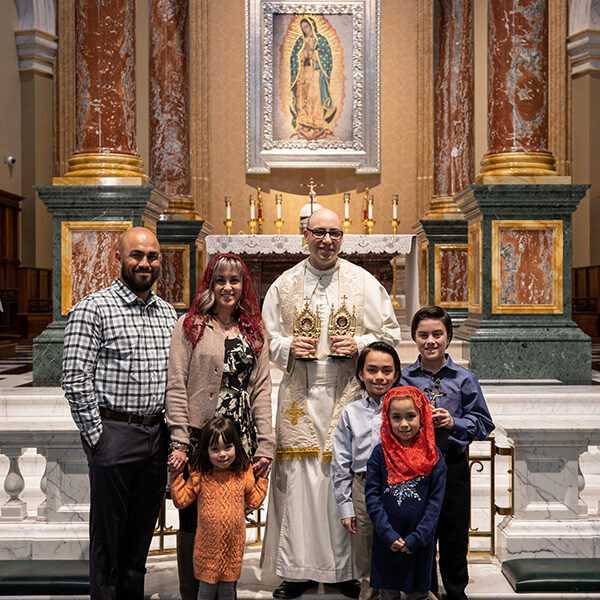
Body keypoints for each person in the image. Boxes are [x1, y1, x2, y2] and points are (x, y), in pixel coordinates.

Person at [261, 208, 401, 599]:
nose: (326, 240)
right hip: (298, 397)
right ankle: (297, 570)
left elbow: (389, 333)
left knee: (344, 479)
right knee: (301, 482)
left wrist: (358, 344)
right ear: (304, 235)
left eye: (334, 233)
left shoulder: (364, 283)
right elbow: (266, 338)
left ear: (344, 236)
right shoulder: (284, 285)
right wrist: (288, 346)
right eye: (318, 232)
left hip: (348, 395)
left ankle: (345, 571)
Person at [61, 227, 177, 599]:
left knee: (140, 539)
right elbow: (75, 377)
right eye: (137, 255)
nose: (145, 263)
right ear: (118, 258)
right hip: (114, 431)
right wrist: (98, 436)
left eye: (152, 256)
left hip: (156, 435)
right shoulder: (93, 308)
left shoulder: (168, 315)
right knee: (108, 541)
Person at [166, 252, 274, 600]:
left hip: (237, 438)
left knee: (227, 517)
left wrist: (265, 444)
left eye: (235, 280)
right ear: (210, 284)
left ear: (244, 286)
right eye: (221, 280)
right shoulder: (191, 325)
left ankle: (224, 589)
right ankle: (192, 592)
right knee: (193, 517)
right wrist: (180, 441)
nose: (228, 287)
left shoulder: (254, 330)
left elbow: (261, 390)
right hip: (200, 436)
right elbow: (176, 383)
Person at [400, 306, 494, 600]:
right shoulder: (404, 378)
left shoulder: (465, 378)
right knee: (420, 530)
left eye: (437, 334)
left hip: (452, 465)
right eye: (423, 334)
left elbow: (484, 424)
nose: (430, 341)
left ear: (449, 337)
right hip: (415, 468)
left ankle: (455, 591)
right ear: (414, 338)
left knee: (453, 532)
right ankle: (423, 590)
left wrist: (455, 423)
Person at [170, 416, 269, 600]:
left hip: (232, 550)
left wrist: (262, 479)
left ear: (236, 446)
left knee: (227, 592)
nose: (222, 454)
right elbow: (181, 501)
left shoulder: (242, 472)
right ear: (206, 451)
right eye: (215, 449)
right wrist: (176, 477)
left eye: (227, 447)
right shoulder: (200, 474)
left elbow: (254, 501)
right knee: (206, 592)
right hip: (206, 552)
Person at [331, 341, 401, 600]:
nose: (379, 377)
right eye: (372, 370)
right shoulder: (351, 413)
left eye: (386, 370)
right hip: (363, 486)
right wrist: (346, 506)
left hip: (399, 486)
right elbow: (341, 462)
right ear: (360, 373)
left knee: (399, 548)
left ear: (396, 374)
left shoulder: (404, 410)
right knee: (366, 554)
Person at [365, 386, 447, 600]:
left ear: (422, 416)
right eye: (396, 417)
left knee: (419, 593)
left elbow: (435, 503)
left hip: (419, 540)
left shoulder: (433, 455)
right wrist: (387, 534)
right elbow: (372, 497)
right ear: (387, 419)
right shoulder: (379, 454)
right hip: (387, 540)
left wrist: (419, 537)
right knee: (388, 593)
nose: (403, 424)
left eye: (410, 416)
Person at [290, 16, 336, 140]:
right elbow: (294, 57)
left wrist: (314, 54)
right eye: (303, 28)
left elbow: (327, 57)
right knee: (302, 97)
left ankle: (317, 123)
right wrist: (302, 55)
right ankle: (304, 121)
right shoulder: (300, 41)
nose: (305, 30)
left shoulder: (321, 40)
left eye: (307, 27)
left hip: (315, 72)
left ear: (312, 26)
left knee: (315, 97)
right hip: (303, 73)